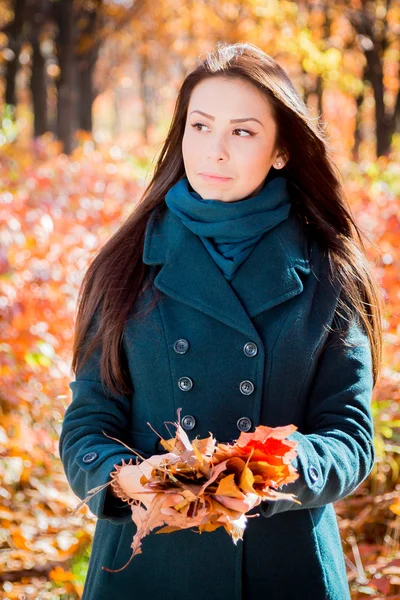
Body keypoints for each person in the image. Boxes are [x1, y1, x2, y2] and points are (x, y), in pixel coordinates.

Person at [59, 41, 384, 600]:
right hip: (148, 565)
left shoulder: (330, 270)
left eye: (242, 132)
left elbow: (351, 437)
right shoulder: (124, 263)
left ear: (282, 150)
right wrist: (131, 481)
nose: (214, 150)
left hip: (283, 565)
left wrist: (269, 470)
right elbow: (88, 423)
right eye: (200, 126)